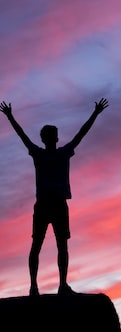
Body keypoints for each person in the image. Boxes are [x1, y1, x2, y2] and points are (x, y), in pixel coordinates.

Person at [0, 98, 109, 296]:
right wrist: (95, 113)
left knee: (47, 245)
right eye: (52, 135)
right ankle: (45, 285)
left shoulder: (47, 153)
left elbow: (23, 135)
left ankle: (52, 285)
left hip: (51, 204)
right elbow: (80, 135)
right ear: (53, 138)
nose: (54, 137)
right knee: (50, 245)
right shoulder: (52, 153)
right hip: (51, 204)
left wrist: (10, 116)